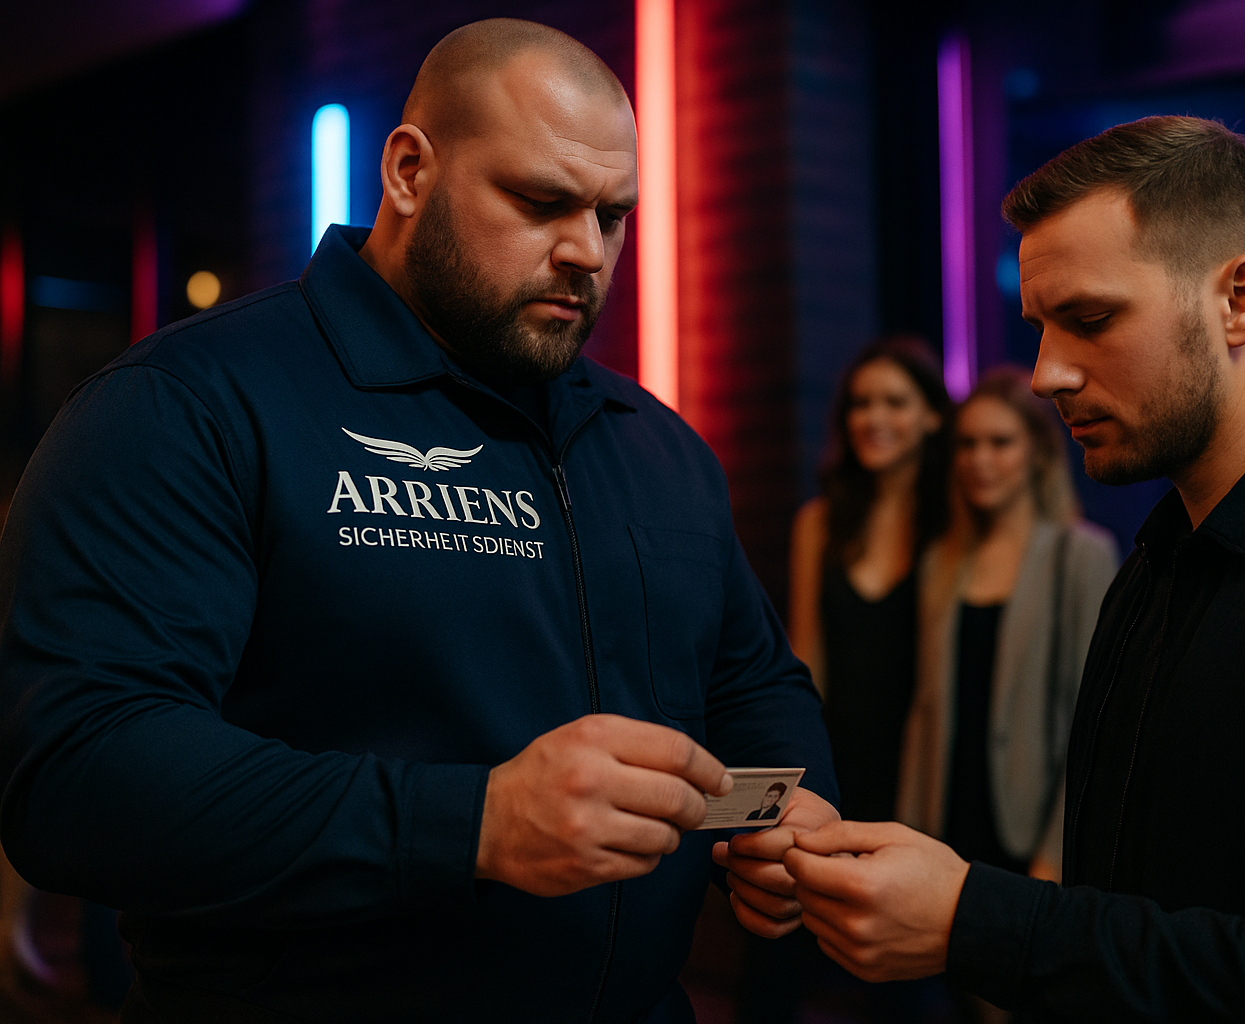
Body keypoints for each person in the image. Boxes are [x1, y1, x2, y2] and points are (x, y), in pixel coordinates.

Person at [0, 19, 837, 1023]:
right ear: (408, 171)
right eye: (540, 202)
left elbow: (752, 682)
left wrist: (789, 813)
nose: (586, 251)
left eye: (613, 216)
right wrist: (474, 823)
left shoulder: (657, 446)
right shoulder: (193, 403)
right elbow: (77, 771)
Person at [760, 115, 1245, 1021]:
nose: (1046, 374)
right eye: (1041, 328)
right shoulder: (1157, 564)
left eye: (1090, 320)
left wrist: (984, 924)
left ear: (1240, 299)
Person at [897, 366, 1116, 888]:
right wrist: (907, 834)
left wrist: (1056, 853)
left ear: (1036, 451)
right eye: (967, 444)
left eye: (1001, 443)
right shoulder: (941, 563)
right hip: (945, 829)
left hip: (1031, 838)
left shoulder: (1079, 555)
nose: (980, 460)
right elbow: (925, 712)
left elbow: (1096, 722)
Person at [788, 337, 952, 824]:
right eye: (861, 404)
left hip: (926, 764)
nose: (873, 418)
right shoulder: (818, 524)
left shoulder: (954, 525)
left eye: (895, 402)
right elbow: (807, 659)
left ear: (933, 416)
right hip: (839, 759)